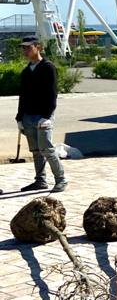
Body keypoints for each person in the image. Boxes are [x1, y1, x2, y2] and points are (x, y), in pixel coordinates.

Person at [15, 35, 67, 192]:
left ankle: (61, 180)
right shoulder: (26, 72)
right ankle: (40, 180)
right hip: (28, 117)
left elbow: (52, 94)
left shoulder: (48, 68)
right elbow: (23, 96)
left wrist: (47, 116)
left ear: (38, 47)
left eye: (28, 47)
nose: (25, 50)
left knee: (47, 149)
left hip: (43, 116)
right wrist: (19, 117)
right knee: (36, 151)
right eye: (23, 48)